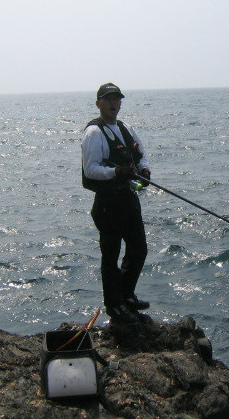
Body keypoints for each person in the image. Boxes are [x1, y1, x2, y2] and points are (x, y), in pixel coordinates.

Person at [81, 83, 152, 323]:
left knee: (139, 249)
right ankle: (114, 304)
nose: (113, 103)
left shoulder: (126, 128)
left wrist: (144, 170)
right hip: (107, 203)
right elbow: (90, 170)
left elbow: (140, 155)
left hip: (128, 198)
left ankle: (127, 295)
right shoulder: (94, 132)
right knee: (110, 255)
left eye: (117, 99)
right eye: (108, 99)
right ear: (98, 103)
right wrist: (116, 172)